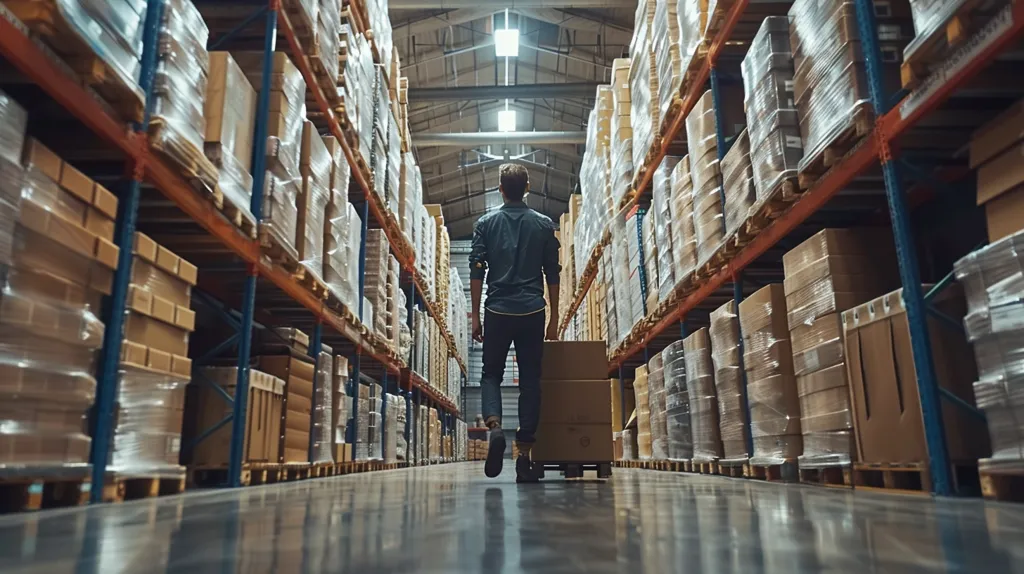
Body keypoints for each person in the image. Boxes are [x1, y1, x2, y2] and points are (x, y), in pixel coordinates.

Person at [469, 163, 560, 482]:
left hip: (498, 310)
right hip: (533, 311)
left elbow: (477, 269)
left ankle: (494, 426)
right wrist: (555, 317)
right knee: (531, 379)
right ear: (528, 187)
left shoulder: (486, 224)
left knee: (491, 373)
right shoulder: (544, 225)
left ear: (500, 189)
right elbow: (553, 271)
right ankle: (525, 455)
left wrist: (476, 316)